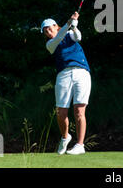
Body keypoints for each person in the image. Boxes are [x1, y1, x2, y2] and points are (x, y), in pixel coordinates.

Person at [41, 12, 91, 155]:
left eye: (49, 29)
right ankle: (65, 137)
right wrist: (70, 22)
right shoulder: (50, 44)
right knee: (61, 112)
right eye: (45, 32)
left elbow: (78, 37)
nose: (48, 33)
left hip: (81, 72)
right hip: (63, 74)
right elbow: (58, 38)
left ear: (56, 26)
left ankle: (80, 145)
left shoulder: (69, 34)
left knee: (79, 111)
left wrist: (74, 26)